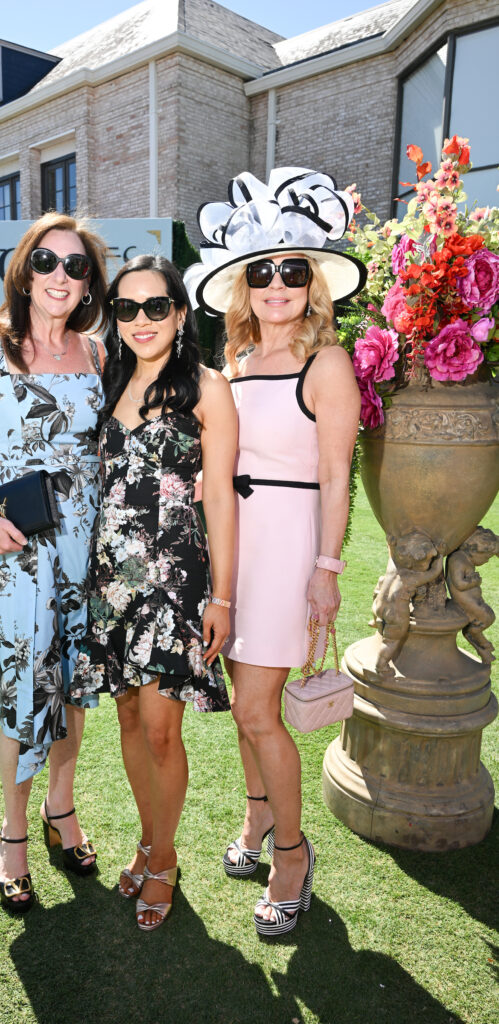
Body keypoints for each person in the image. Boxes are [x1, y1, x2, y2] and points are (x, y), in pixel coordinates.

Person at [185, 168, 366, 937]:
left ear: (313, 284)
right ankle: (256, 819)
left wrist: (326, 571)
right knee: (242, 710)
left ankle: (291, 854)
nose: (277, 285)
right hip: (231, 548)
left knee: (260, 711)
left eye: (293, 271)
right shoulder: (230, 367)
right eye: (262, 272)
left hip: (290, 545)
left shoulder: (326, 364)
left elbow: (335, 475)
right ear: (241, 287)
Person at [0, 213, 109, 913]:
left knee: (71, 686)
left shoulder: (98, 355)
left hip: (84, 553)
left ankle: (59, 809)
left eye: (75, 265)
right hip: (14, 553)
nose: (59, 277)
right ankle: (12, 831)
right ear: (24, 269)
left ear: (90, 281)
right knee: (23, 692)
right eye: (47, 262)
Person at [72, 254, 237, 931]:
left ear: (179, 312)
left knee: (164, 731)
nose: (141, 320)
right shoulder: (101, 381)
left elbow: (221, 498)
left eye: (156, 306)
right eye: (127, 307)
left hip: (173, 582)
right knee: (129, 721)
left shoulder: (205, 387)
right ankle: (147, 839)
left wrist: (221, 597)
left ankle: (163, 859)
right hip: (109, 580)